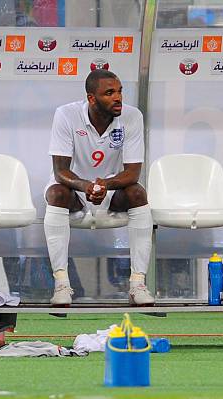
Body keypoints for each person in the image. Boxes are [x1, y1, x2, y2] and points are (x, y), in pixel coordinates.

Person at [44, 69, 154, 306]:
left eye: (120, 91)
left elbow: (133, 172)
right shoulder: (66, 114)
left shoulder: (132, 116)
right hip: (75, 188)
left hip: (112, 190)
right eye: (109, 93)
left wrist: (105, 184)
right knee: (55, 193)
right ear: (92, 98)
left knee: (138, 193)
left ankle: (138, 283)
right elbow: (60, 171)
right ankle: (62, 284)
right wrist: (86, 186)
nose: (118, 98)